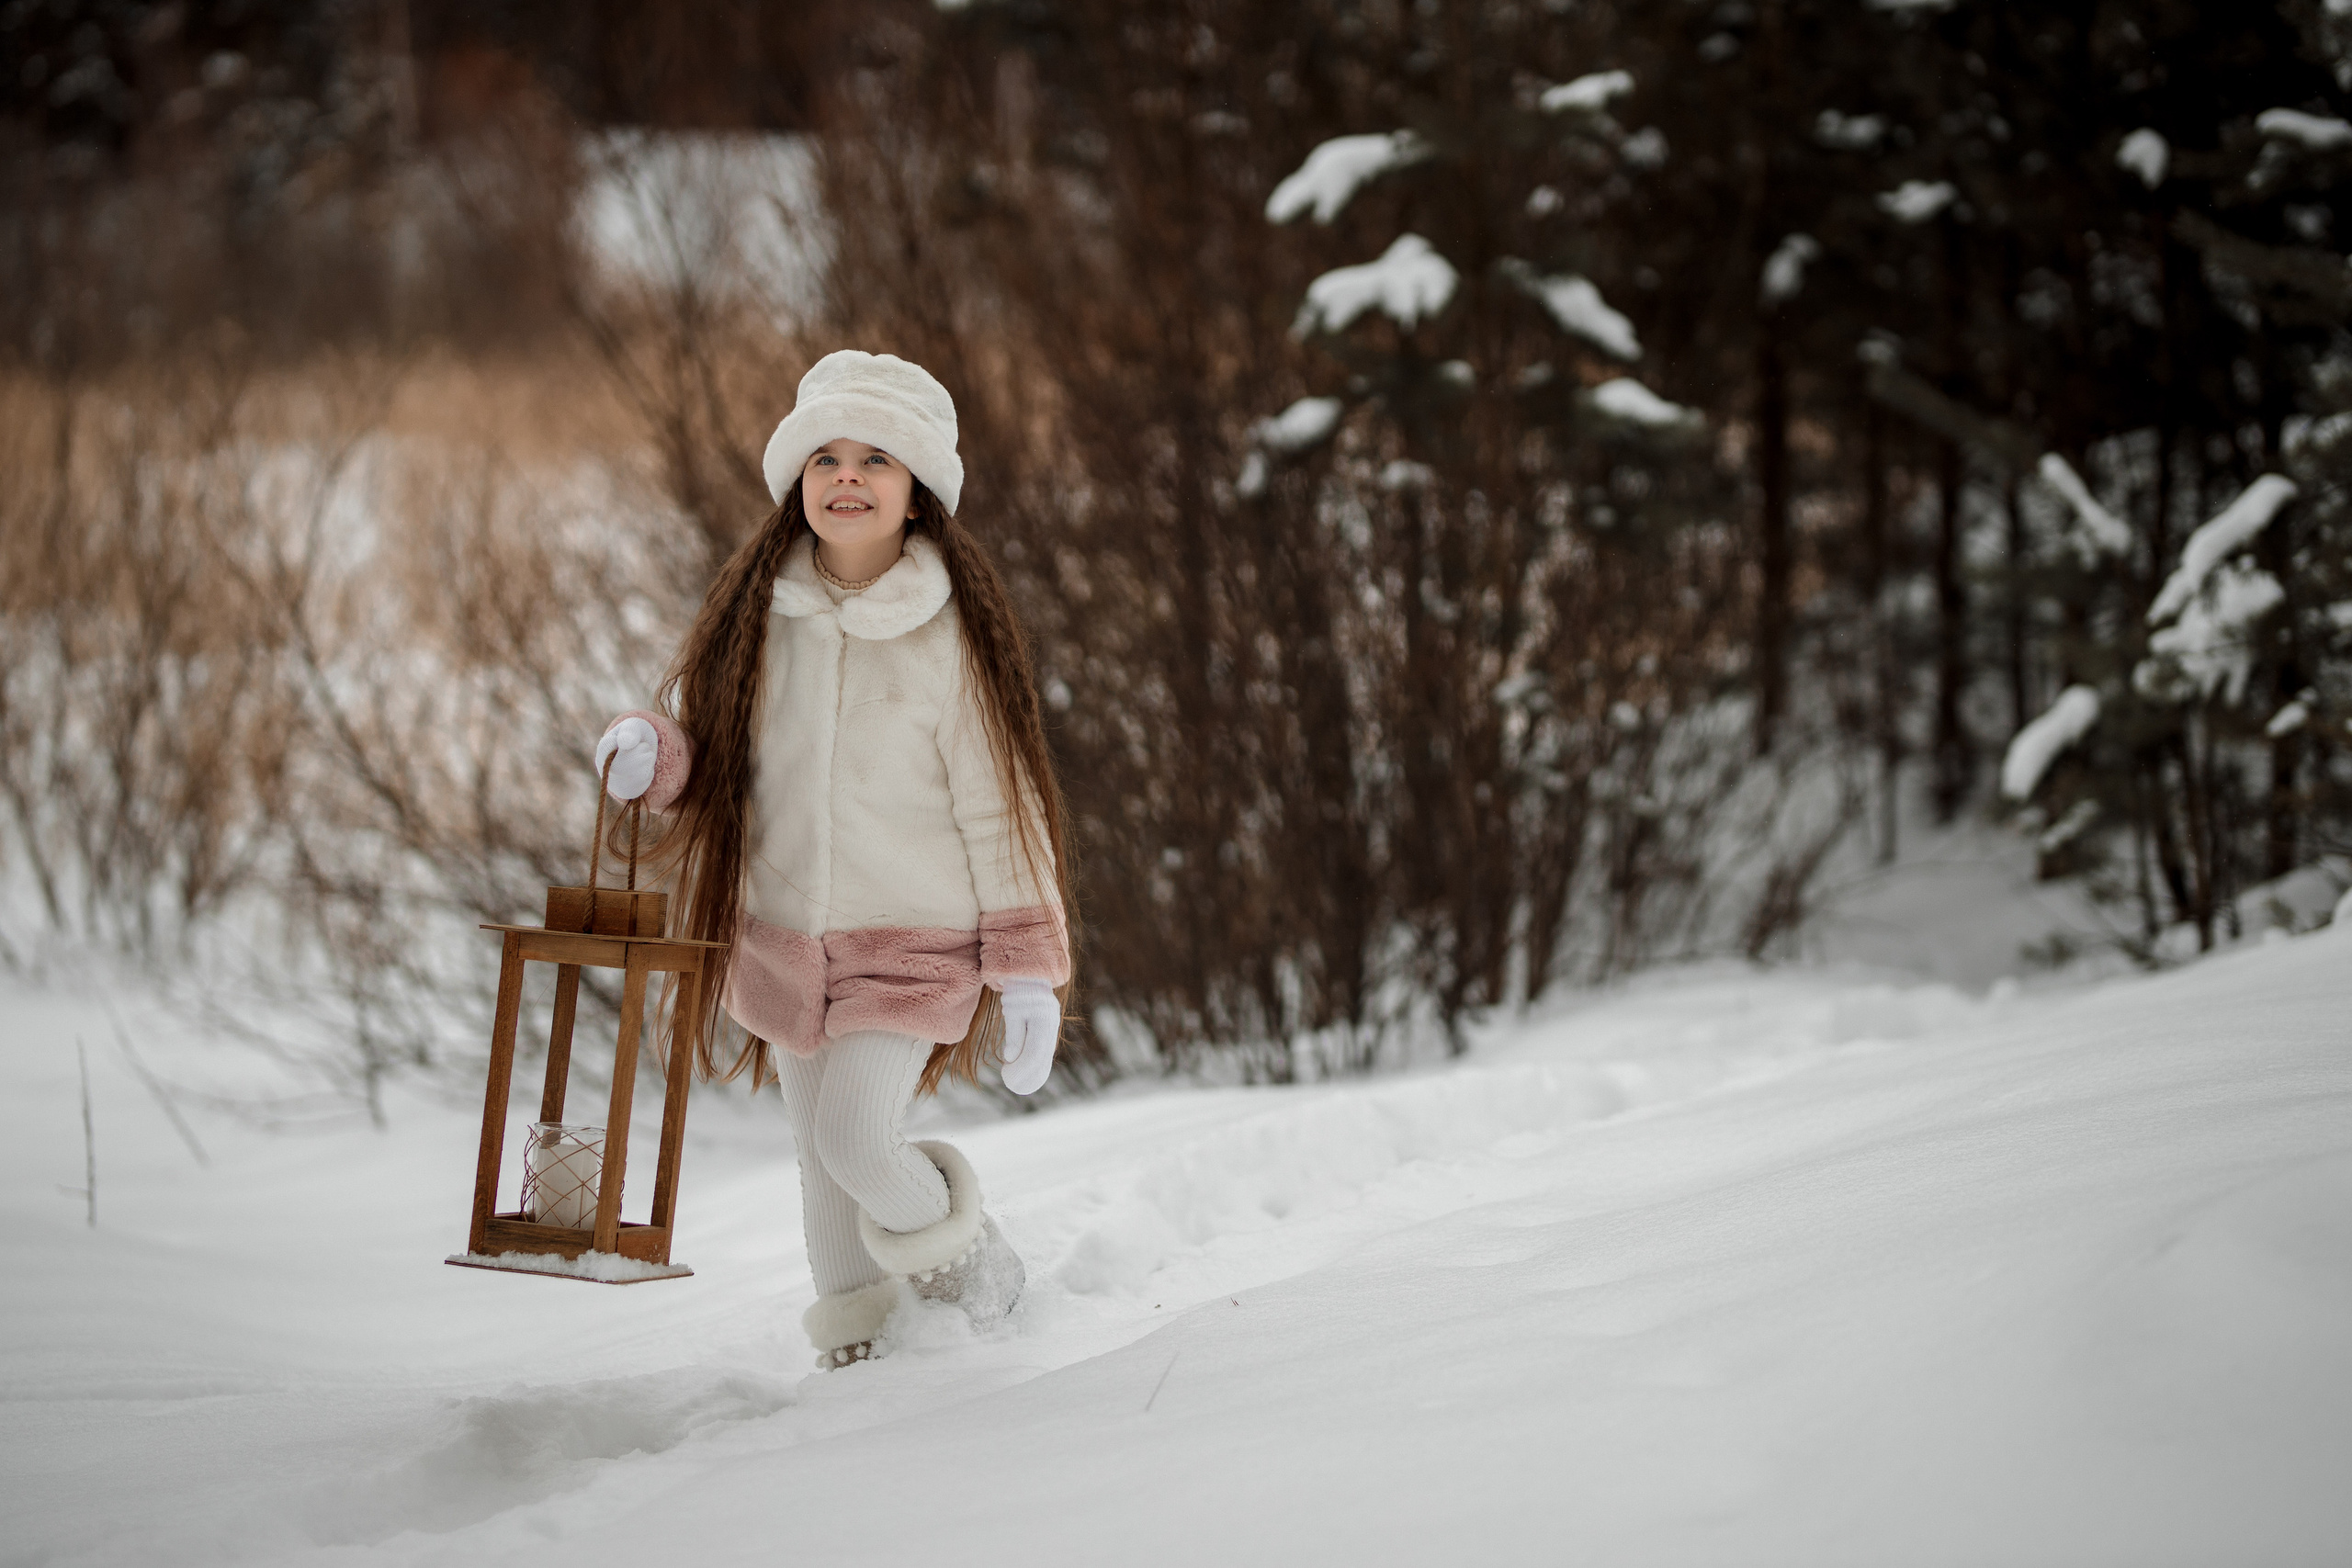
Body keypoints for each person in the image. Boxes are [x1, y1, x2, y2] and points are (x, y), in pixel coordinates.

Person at [594, 351, 1073, 1369]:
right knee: (819, 1163)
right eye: (825, 457)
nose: (845, 477)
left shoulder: (947, 637)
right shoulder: (761, 618)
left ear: (916, 495)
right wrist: (653, 752)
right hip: (780, 941)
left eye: (874, 459)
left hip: (915, 946)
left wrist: (1027, 967)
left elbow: (1002, 809)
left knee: (858, 1141)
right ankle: (857, 1353)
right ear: (796, 481)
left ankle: (973, 1267)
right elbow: (710, 757)